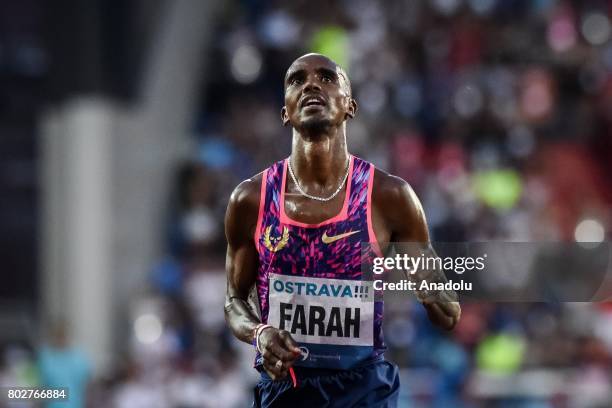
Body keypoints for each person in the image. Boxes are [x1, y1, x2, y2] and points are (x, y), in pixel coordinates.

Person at [224, 53, 461, 407]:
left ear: (350, 106)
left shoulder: (389, 197)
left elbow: (448, 313)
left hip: (363, 392)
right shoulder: (251, 200)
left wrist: (432, 291)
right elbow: (234, 302)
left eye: (326, 77)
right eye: (296, 80)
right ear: (284, 112)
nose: (311, 85)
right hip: (285, 392)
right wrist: (260, 334)